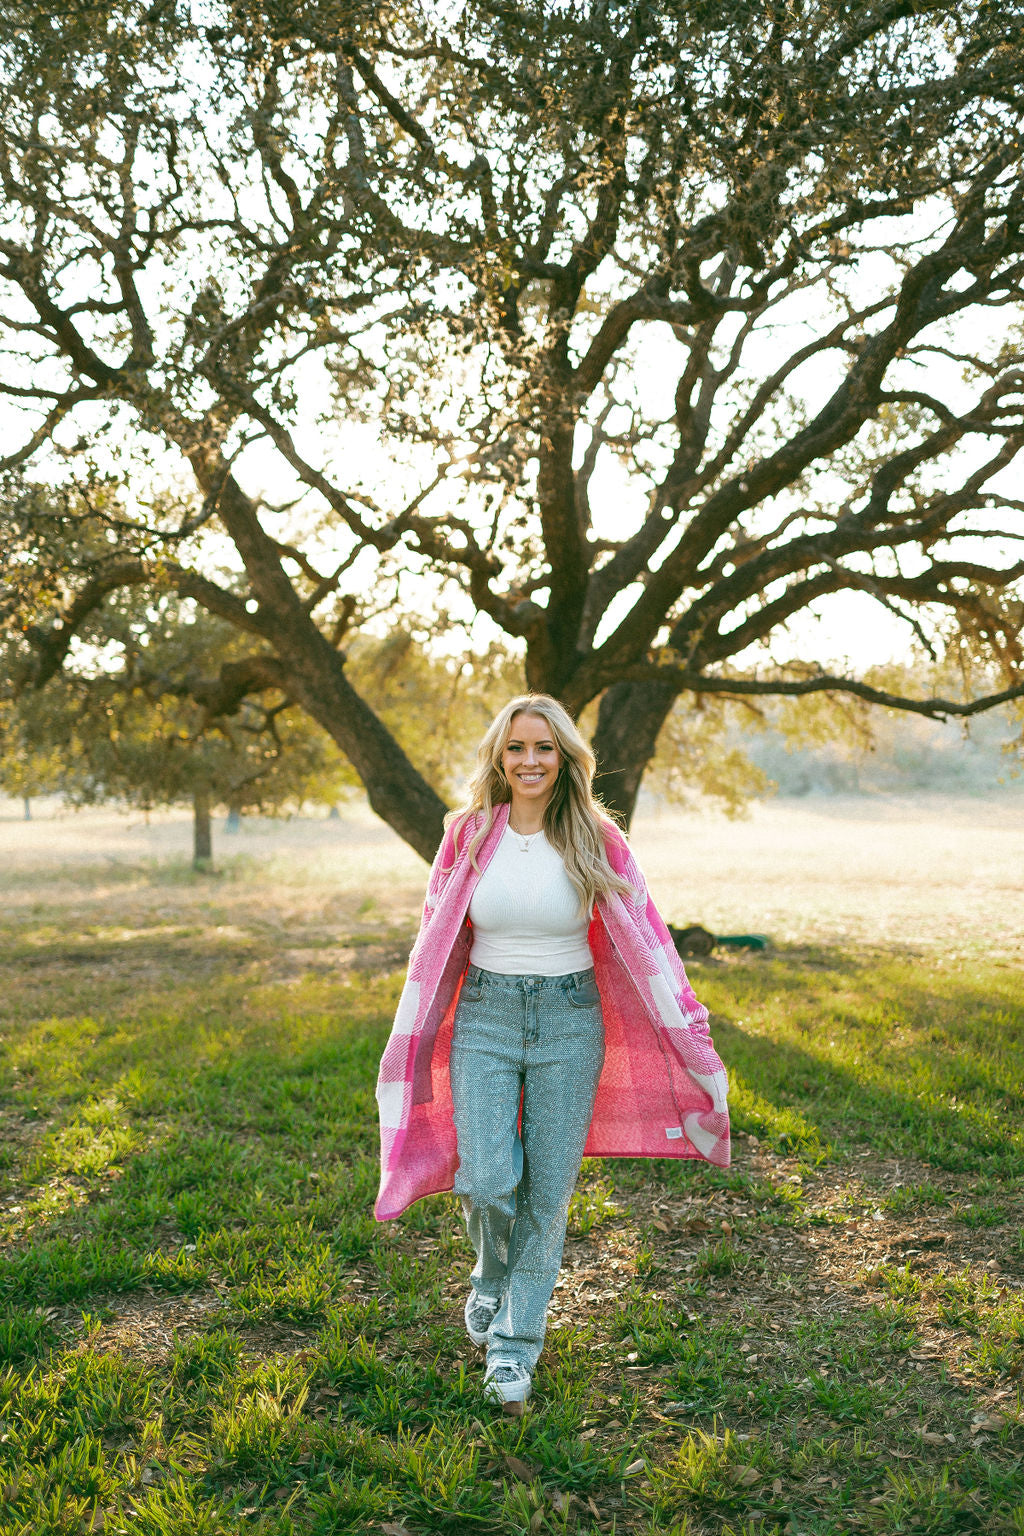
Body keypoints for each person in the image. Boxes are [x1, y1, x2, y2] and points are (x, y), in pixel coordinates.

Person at [375, 694, 730, 1407]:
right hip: (487, 1015)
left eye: (544, 748)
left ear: (565, 757)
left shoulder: (596, 837)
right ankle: (489, 1279)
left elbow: (647, 932)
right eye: (516, 748)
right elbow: (433, 931)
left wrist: (685, 1019)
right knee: (485, 1178)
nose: (530, 761)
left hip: (570, 1021)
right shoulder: (468, 836)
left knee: (546, 1194)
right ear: (499, 758)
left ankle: (514, 1346)